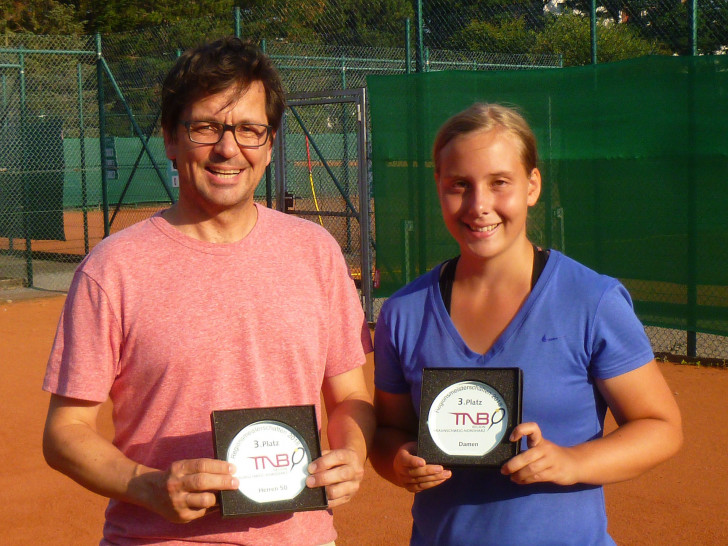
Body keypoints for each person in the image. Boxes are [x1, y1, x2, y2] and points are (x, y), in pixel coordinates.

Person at [42, 37, 374, 546]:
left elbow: (351, 395)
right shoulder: (112, 269)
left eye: (248, 129)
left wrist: (351, 451)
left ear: (269, 143)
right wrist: (148, 486)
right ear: (171, 140)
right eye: (205, 127)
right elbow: (65, 433)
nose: (228, 148)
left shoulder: (317, 253)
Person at [370, 103, 682, 545]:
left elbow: (660, 427)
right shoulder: (403, 312)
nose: (480, 206)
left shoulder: (591, 300)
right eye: (460, 185)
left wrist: (570, 462)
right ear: (439, 187)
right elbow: (388, 432)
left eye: (500, 183)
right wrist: (399, 460)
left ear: (532, 185)